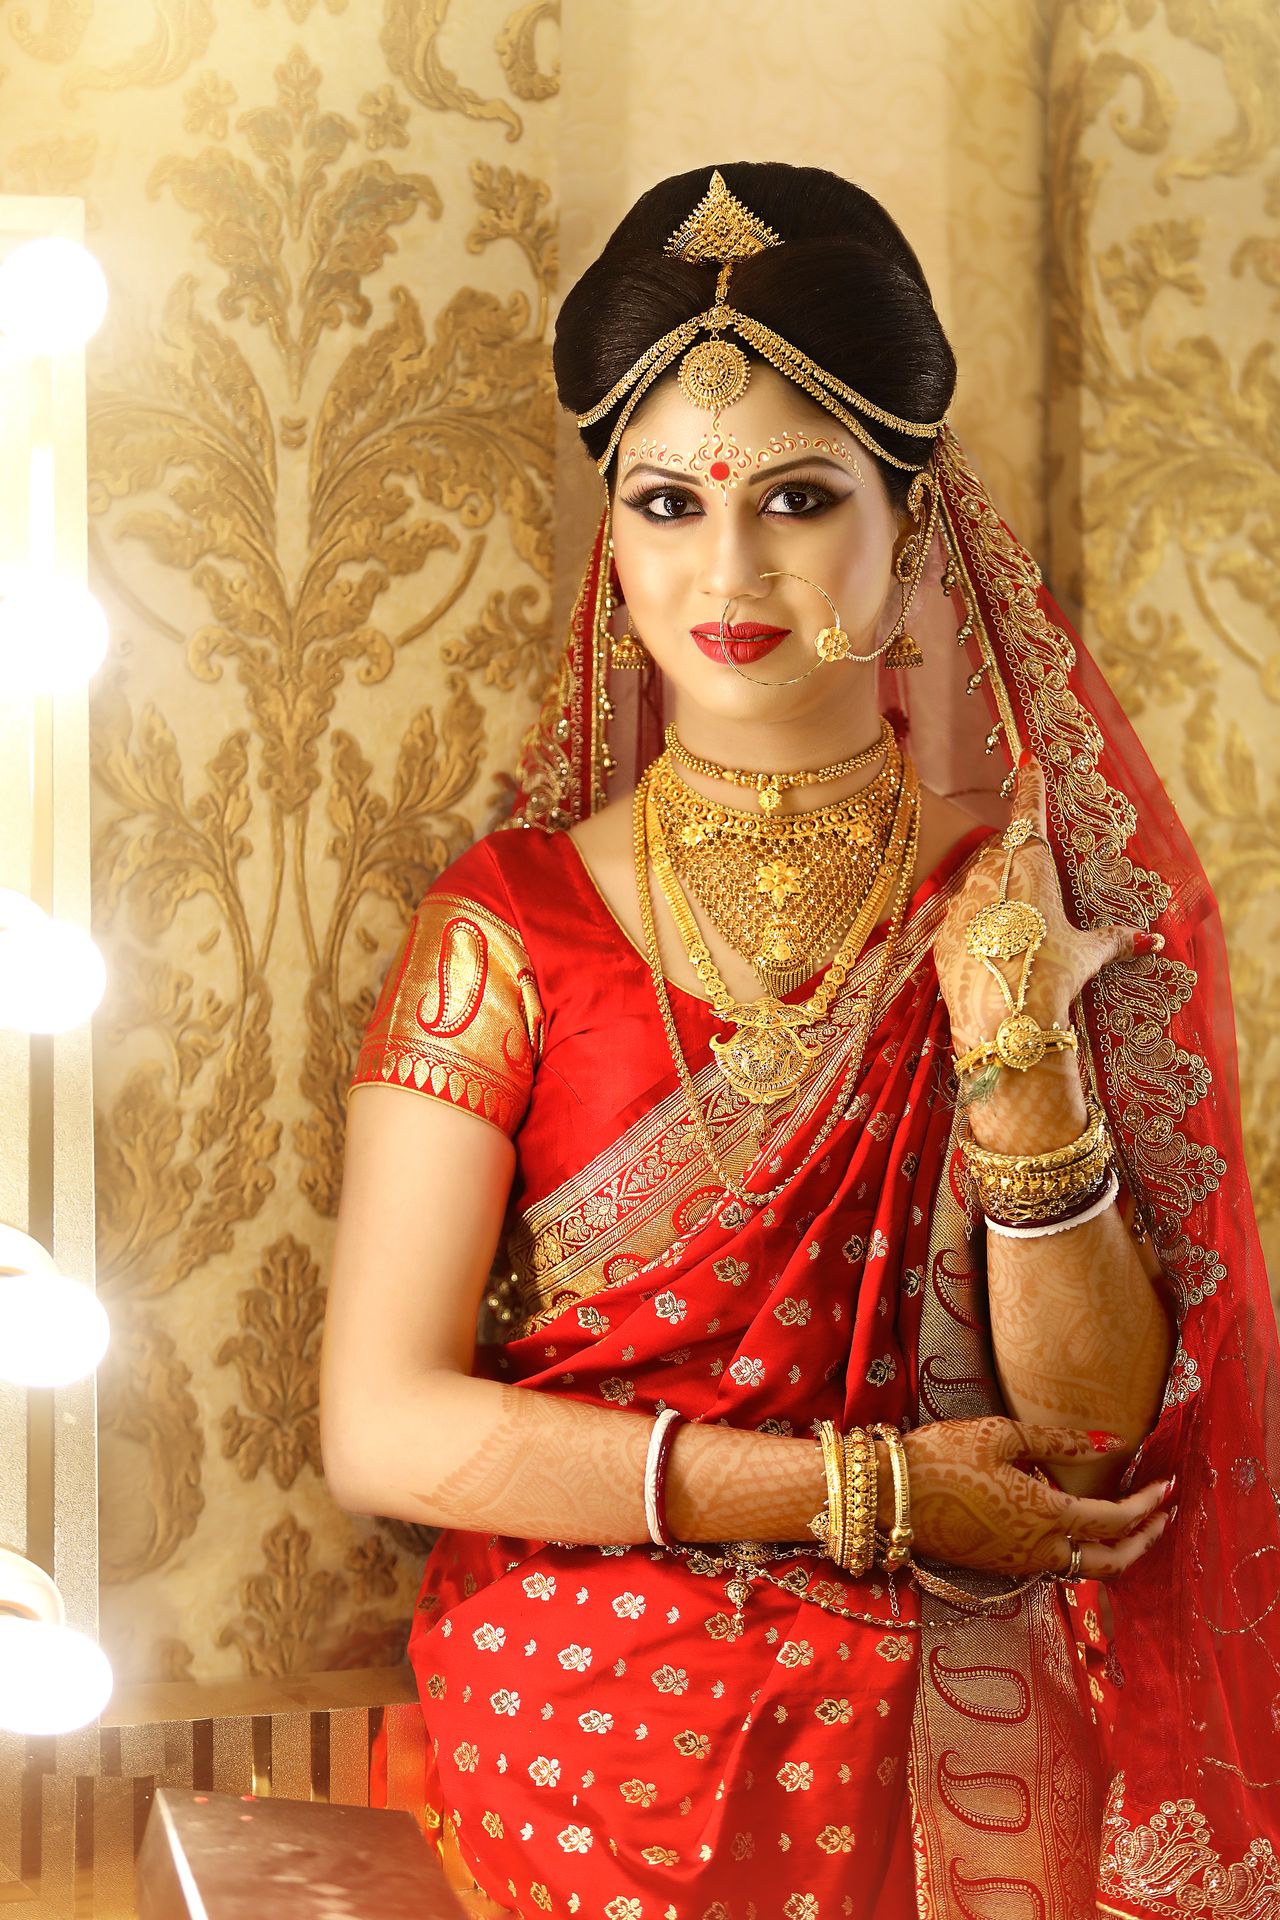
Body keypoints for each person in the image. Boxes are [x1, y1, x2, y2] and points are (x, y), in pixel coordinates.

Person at [320, 165, 1280, 1917]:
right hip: (604, 1651)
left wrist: (1019, 1061)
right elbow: (380, 1425)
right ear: (608, 542)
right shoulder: (510, 926)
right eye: (669, 502)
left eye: (801, 496)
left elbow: (1092, 1448)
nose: (730, 568)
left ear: (913, 528)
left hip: (966, 1635)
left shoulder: (1022, 905)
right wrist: (864, 1489)